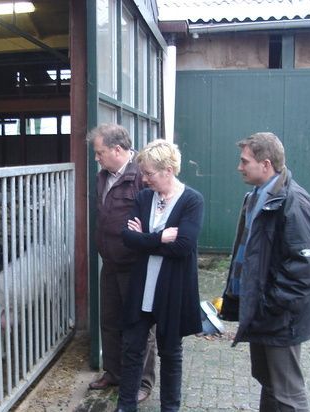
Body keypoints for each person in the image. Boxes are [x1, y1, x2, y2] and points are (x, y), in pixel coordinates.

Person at [220, 132, 310, 412]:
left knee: (288, 394)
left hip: (280, 317)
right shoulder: (256, 196)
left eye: (244, 161)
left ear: (266, 164)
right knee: (269, 382)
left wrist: (272, 303)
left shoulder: (294, 201)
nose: (239, 167)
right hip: (263, 312)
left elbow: (307, 266)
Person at [116, 139, 204, 412]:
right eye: (143, 173)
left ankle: (170, 407)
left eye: (149, 173)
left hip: (171, 290)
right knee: (132, 348)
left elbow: (183, 246)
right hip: (143, 287)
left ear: (168, 170)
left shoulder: (192, 200)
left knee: (170, 352)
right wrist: (158, 238)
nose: (144, 179)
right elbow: (127, 238)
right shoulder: (144, 198)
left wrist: (146, 240)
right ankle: (125, 405)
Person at [86, 124, 156, 403]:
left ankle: (143, 382)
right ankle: (113, 372)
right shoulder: (103, 176)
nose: (96, 158)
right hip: (110, 262)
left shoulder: (142, 175)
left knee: (139, 324)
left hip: (134, 264)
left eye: (100, 152)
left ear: (117, 149)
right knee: (110, 320)